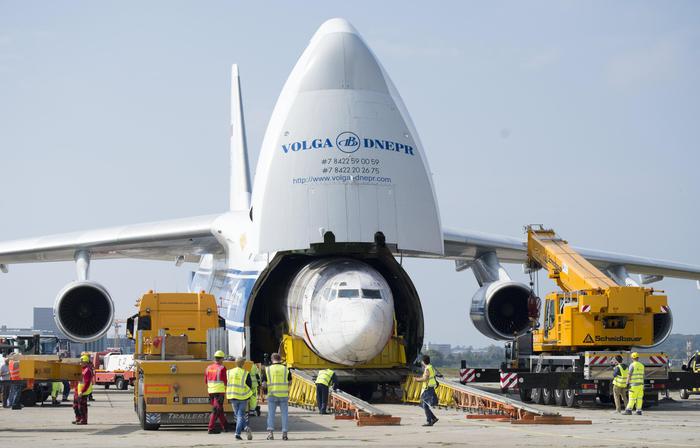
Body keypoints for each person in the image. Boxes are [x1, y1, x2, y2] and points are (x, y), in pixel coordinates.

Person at [261, 352, 291, 440]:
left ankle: (270, 434)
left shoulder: (268, 369)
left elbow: (264, 384)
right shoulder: (286, 369)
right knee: (284, 414)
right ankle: (284, 434)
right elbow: (290, 382)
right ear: (280, 359)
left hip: (272, 394)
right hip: (283, 394)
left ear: (272, 359)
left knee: (271, 414)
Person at [226, 357, 253, 440]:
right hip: (242, 397)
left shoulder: (229, 372)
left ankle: (245, 428)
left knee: (238, 415)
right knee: (240, 415)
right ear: (243, 364)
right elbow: (249, 385)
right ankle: (238, 433)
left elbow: (228, 382)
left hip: (233, 396)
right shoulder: (245, 373)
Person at [206, 350, 228, 434]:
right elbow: (225, 381)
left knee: (219, 410)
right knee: (216, 410)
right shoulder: (222, 368)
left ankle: (225, 426)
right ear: (221, 359)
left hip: (211, 391)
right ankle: (210, 428)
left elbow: (205, 380)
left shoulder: (208, 368)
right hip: (219, 392)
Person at [414, 354, 439, 426]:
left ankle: (429, 421)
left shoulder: (427, 368)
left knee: (424, 405)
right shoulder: (431, 367)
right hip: (430, 387)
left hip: (428, 388)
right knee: (424, 404)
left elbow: (425, 378)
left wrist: (417, 379)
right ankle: (433, 418)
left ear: (423, 361)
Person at [72, 354, 93, 424]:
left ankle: (84, 420)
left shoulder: (87, 370)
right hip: (78, 390)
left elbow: (87, 383)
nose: (80, 363)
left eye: (82, 362)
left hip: (83, 392)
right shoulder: (81, 369)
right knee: (75, 406)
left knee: (82, 406)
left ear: (86, 362)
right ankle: (78, 418)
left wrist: (82, 391)